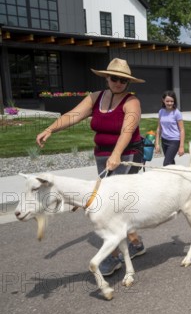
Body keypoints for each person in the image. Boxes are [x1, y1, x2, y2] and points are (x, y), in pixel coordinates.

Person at [36, 58, 147, 276]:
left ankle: (113, 257)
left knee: (111, 206)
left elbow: (127, 130)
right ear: (106, 78)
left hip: (127, 156)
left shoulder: (131, 102)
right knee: (119, 205)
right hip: (103, 156)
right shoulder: (96, 98)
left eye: (123, 80)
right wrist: (50, 129)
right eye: (114, 78)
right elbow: (73, 115)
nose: (118, 83)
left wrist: (116, 154)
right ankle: (135, 243)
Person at [155, 90, 185, 166]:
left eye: (171, 101)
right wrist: (157, 144)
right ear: (163, 100)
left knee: (166, 163)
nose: (169, 103)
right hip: (164, 141)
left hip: (174, 141)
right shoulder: (161, 111)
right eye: (167, 101)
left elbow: (182, 130)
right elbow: (159, 128)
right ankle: (176, 177)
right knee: (170, 163)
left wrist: (181, 146)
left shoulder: (177, 113)